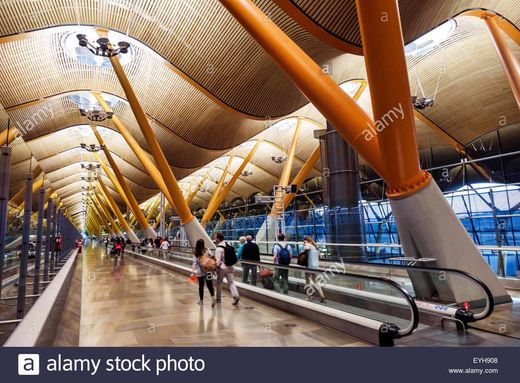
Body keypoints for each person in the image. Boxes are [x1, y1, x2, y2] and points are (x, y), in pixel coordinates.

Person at [214, 232, 240, 305]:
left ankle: (218, 299)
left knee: (219, 283)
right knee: (231, 282)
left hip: (222, 268)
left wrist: (215, 268)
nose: (214, 239)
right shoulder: (228, 244)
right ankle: (236, 295)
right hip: (230, 266)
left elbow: (218, 261)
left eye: (215, 237)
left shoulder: (219, 248)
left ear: (218, 239)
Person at [192, 239, 216, 307]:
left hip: (200, 271)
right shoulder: (207, 250)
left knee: (201, 286)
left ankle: (201, 301)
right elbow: (212, 256)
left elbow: (195, 263)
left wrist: (193, 271)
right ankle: (212, 296)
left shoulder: (196, 253)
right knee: (209, 284)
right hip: (208, 270)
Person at [302, 236, 325, 303]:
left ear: (306, 240)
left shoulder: (308, 244)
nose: (304, 243)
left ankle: (309, 297)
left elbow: (307, 248)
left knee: (307, 282)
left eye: (304, 242)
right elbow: (320, 256)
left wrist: (303, 251)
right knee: (315, 281)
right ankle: (321, 295)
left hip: (309, 266)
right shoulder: (315, 247)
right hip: (316, 267)